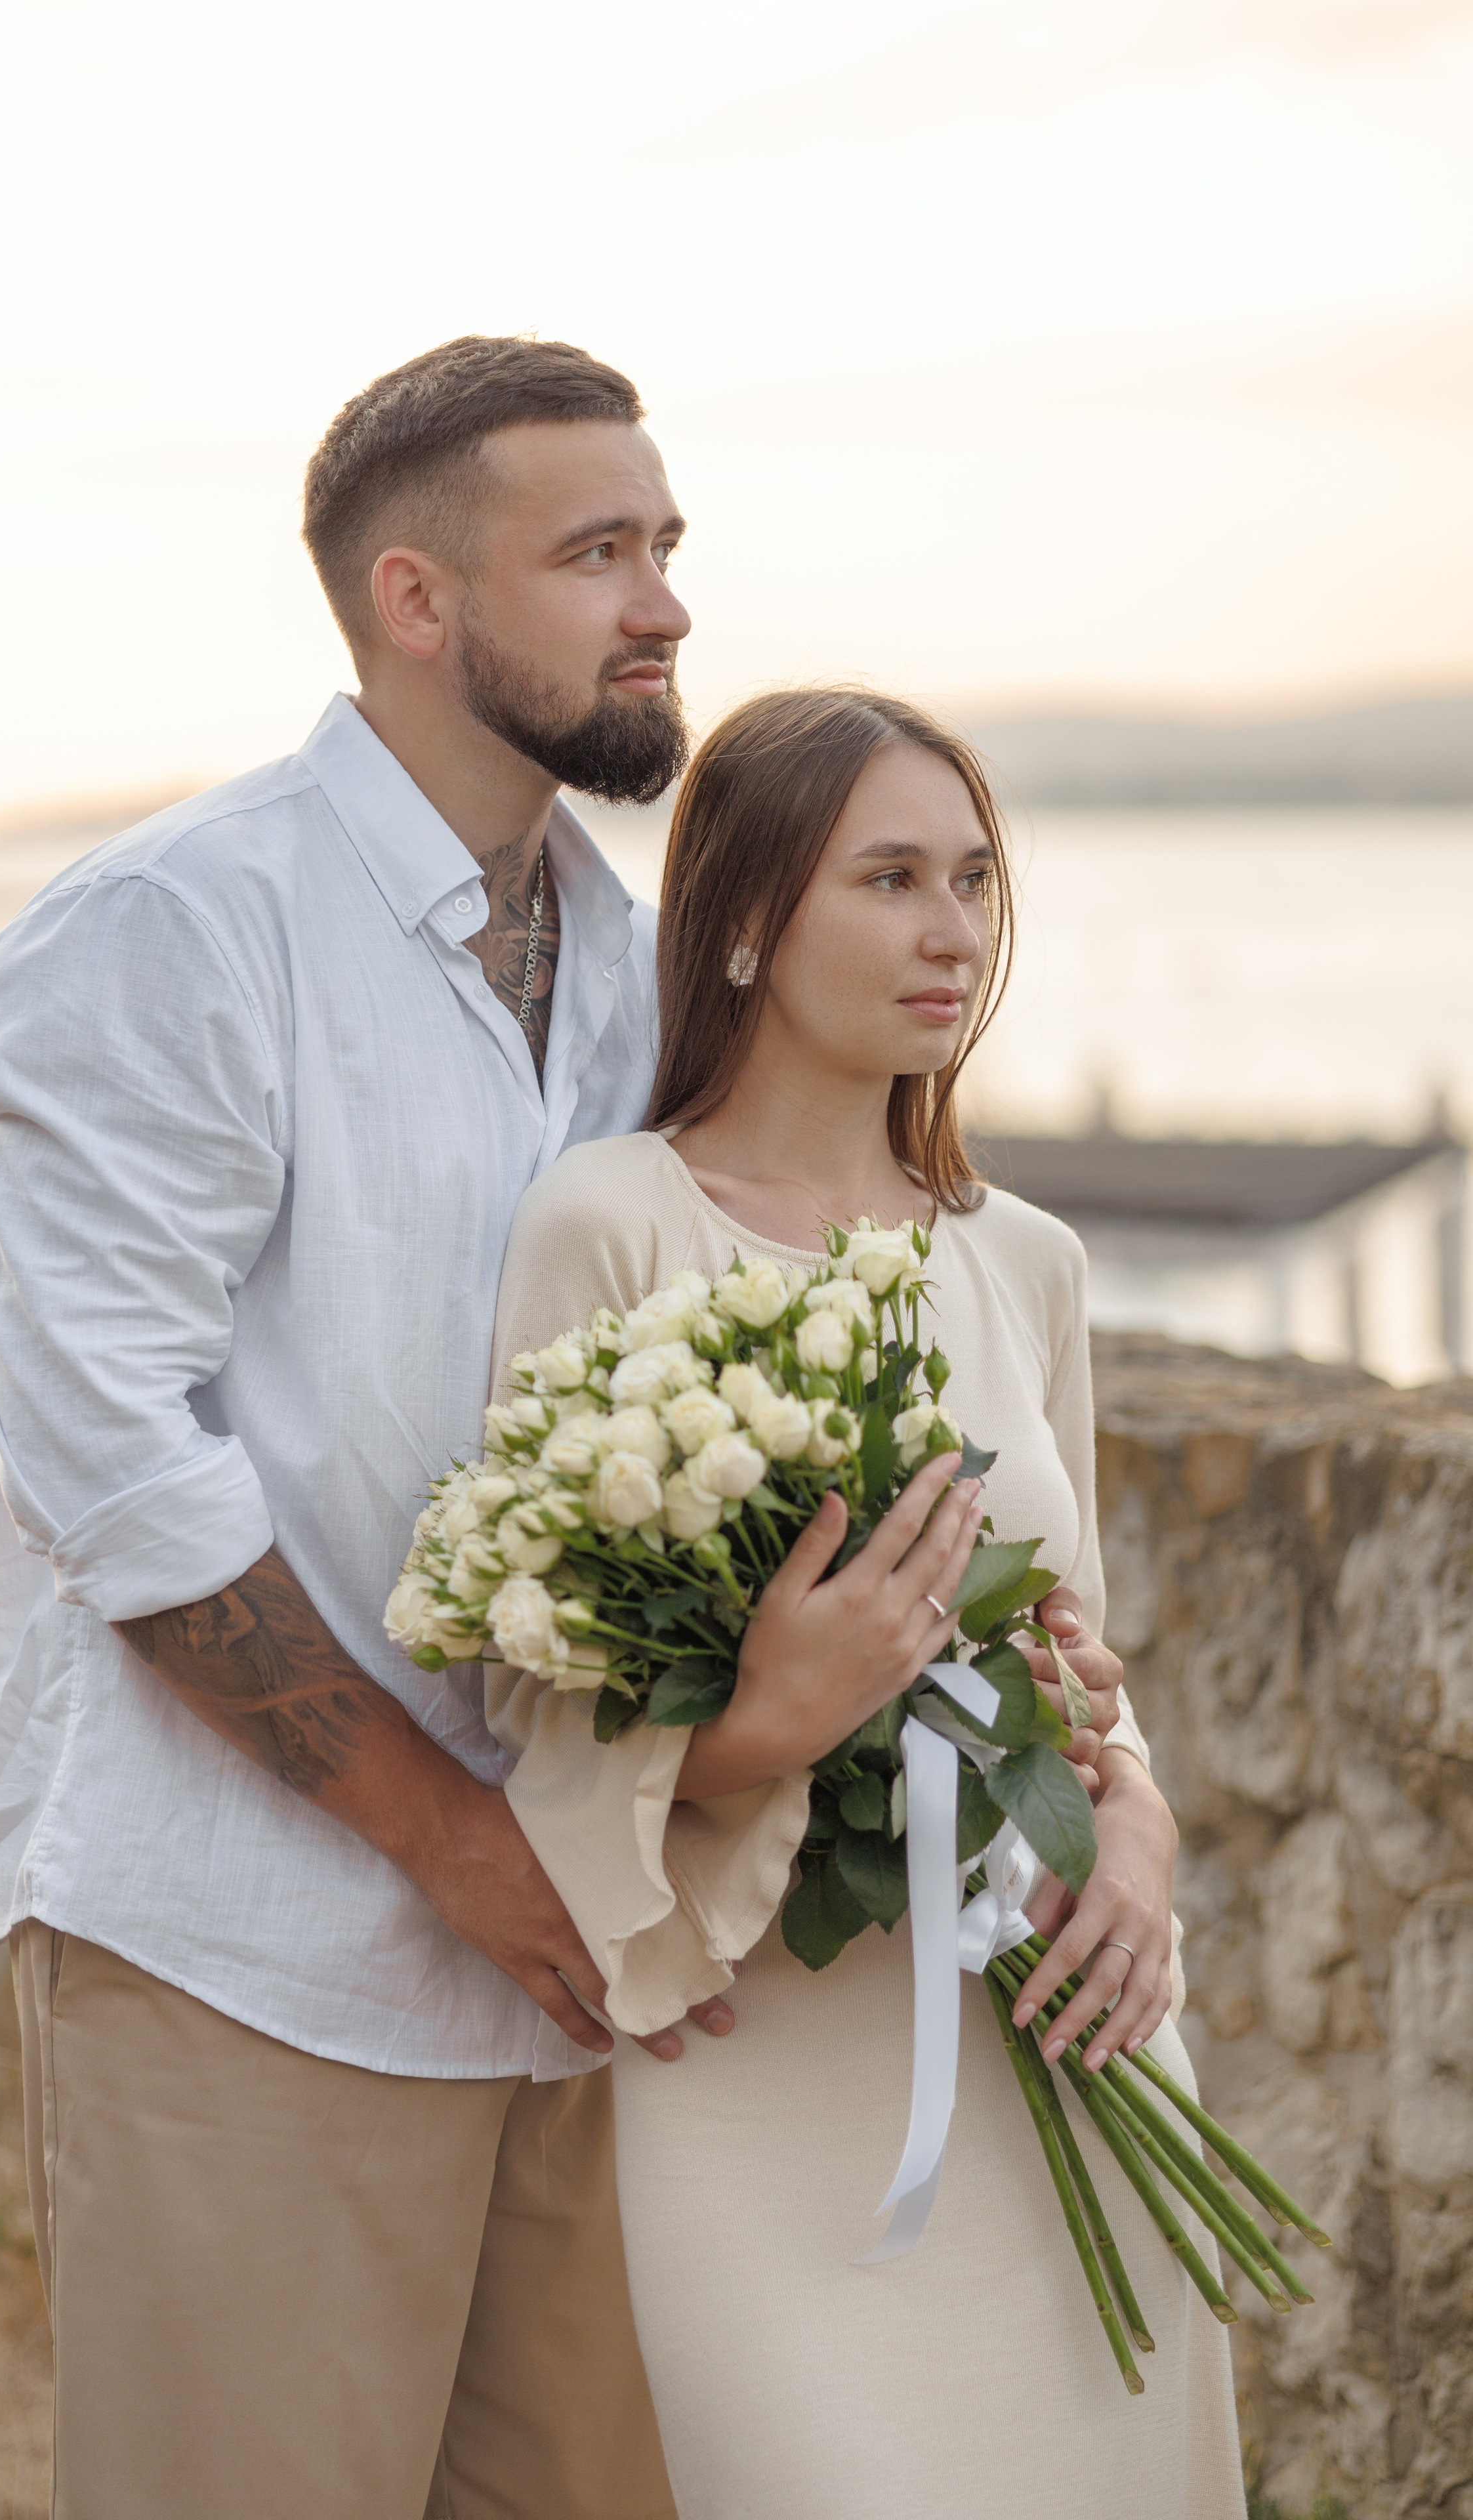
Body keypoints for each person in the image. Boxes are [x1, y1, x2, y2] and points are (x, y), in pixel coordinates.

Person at [0, 334, 716, 2520]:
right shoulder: (175, 929)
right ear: (416, 599)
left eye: (666, 547)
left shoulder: (635, 964)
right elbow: (118, 1467)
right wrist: (450, 1844)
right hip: (252, 1947)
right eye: (598, 552)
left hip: (578, 1948)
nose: (662, 602)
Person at [486, 686, 1248, 2518]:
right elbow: (542, 1701)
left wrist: (1135, 1838)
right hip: (773, 2071)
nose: (953, 932)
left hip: (1069, 2032)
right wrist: (780, 1714)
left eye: (975, 880)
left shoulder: (1027, 1260)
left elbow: (1078, 1656)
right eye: (891, 877)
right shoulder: (610, 1224)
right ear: (745, 917)